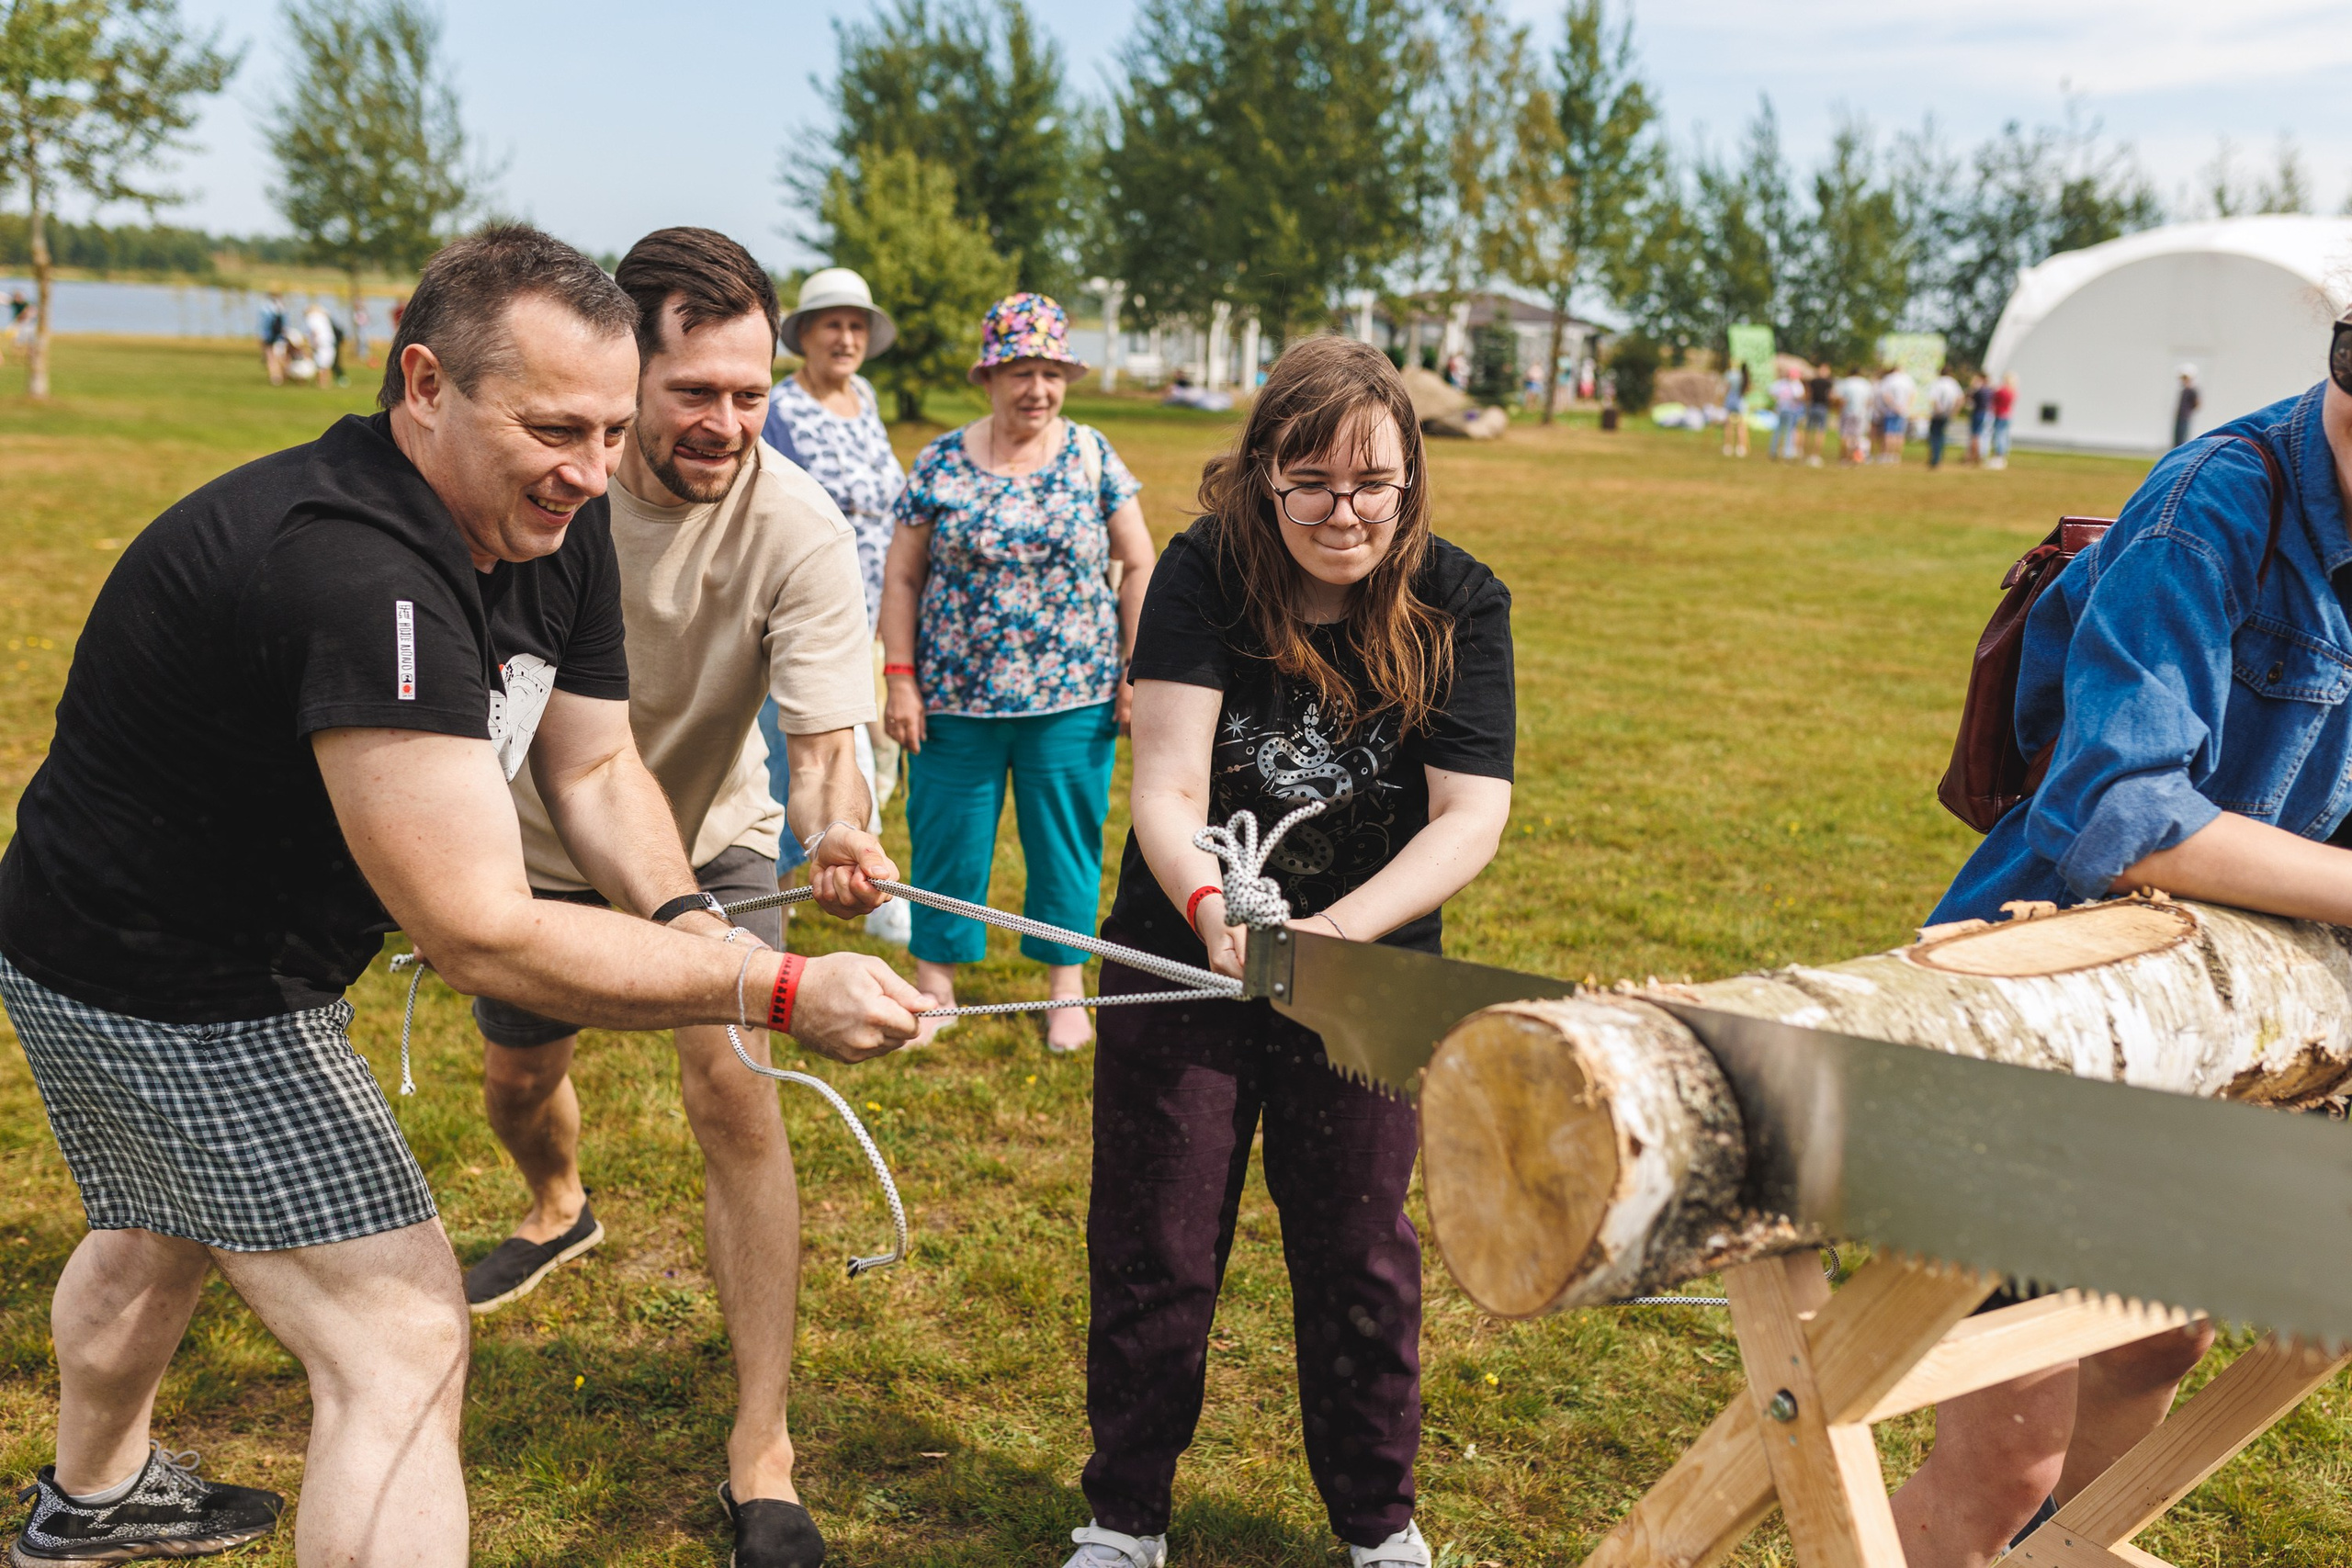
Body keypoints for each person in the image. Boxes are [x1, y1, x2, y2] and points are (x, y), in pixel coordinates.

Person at [0, 225, 924, 1568]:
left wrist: (686, 921)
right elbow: (476, 924)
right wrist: (773, 981)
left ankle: (91, 1502)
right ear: (423, 386)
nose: (592, 468)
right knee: (406, 1336)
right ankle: (94, 1499)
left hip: (150, 950)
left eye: (614, 429)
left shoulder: (553, 521)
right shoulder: (355, 567)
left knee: (162, 1222)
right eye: (555, 426)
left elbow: (597, 761)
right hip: (162, 976)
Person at [1887, 310, 2352, 1568]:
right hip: (2060, 1013)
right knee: (2002, 1462)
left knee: (2154, 1340)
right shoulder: (2214, 503)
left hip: (2236, 1022)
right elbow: (2122, 815)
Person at [458, 228, 888, 1565]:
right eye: (693, 390)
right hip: (528, 844)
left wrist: (840, 832)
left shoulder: (799, 528)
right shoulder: (545, 495)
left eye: (751, 393)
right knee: (520, 1083)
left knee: (736, 1087)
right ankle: (557, 1205)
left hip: (711, 843)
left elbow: (821, 747)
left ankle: (762, 1443)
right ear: (627, 372)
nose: (725, 422)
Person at [1065, 335, 1514, 1568]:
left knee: (1363, 1248)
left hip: (1368, 976)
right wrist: (1219, 912)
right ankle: (1122, 1517)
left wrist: (1327, 935)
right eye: (1309, 480)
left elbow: (1469, 815)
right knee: (1156, 1236)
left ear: (1412, 480)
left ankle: (1380, 1522)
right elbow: (1163, 784)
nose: (1343, 510)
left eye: (1374, 481)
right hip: (1184, 955)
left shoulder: (1461, 598)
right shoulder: (1205, 573)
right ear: (1263, 476)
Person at [879, 292, 1157, 1053]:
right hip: (953, 696)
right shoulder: (939, 459)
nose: (1037, 388)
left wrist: (1136, 668)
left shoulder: (1093, 454)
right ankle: (935, 981)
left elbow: (1138, 563)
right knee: (946, 841)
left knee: (1065, 842)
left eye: (1051, 372)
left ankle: (1067, 984)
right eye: (1021, 371)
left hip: (1073, 695)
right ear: (990, 377)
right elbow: (901, 577)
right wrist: (899, 676)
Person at [764, 266, 912, 946]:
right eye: (833, 325)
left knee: (878, 750)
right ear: (806, 336)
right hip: (809, 610)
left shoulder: (869, 398)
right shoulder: (777, 409)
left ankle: (869, 873)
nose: (847, 338)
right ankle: (776, 892)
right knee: (808, 751)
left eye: (857, 326)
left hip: (878, 607)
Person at [1876, 361, 1917, 463]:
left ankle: (1887, 455)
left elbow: (1885, 395)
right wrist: (1905, 407)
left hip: (1890, 411)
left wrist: (1894, 406)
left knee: (1889, 433)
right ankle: (1896, 456)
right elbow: (1913, 395)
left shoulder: (1889, 379)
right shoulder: (1908, 379)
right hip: (1903, 411)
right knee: (1899, 434)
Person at [1926, 364, 1963, 469]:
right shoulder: (1953, 383)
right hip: (1948, 413)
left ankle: (1935, 459)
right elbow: (1960, 398)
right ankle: (1939, 457)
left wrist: (1939, 410)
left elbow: (1934, 399)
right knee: (1941, 436)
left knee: (1935, 436)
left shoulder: (1937, 383)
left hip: (1938, 414)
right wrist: (1954, 411)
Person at [1837, 366, 1876, 465]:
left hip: (1847, 412)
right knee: (1857, 436)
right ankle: (1854, 457)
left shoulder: (1845, 382)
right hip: (1861, 413)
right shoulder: (1865, 384)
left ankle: (1844, 458)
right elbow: (1869, 401)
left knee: (1845, 435)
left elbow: (1840, 399)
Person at [1769, 365, 1806, 460]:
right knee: (1786, 431)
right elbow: (1800, 396)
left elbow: (1772, 391)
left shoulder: (1783, 383)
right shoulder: (1793, 385)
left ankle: (1781, 451)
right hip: (1787, 410)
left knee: (1783, 431)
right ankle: (1783, 452)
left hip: (1787, 410)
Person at [1804, 361, 1833, 466]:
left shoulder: (1813, 381)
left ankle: (1805, 454)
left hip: (1812, 407)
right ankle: (1815, 455)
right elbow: (1830, 396)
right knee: (1820, 432)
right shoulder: (1828, 382)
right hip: (1822, 408)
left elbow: (1807, 394)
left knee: (1808, 431)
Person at [303, 300, 337, 390]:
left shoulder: (312, 318)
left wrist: (313, 346)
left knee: (321, 366)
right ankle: (325, 383)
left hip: (320, 344)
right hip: (329, 342)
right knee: (326, 365)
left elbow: (315, 332)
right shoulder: (323, 316)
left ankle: (321, 383)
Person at [1720, 360, 1749, 457]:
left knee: (1728, 424)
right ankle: (1741, 447)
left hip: (1730, 400)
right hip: (1740, 401)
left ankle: (1727, 447)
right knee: (1741, 425)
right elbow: (1747, 390)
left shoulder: (1730, 374)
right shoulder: (1743, 376)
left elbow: (1725, 388)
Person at [1988, 373, 2018, 468]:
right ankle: (2003, 456)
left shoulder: (2002, 391)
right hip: (2008, 415)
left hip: (2000, 415)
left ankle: (1998, 456)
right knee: (2005, 436)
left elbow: (1993, 397)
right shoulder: (2013, 391)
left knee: (1999, 436)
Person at [259, 291, 287, 385]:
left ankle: (275, 377)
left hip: (270, 337)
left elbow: (264, 326)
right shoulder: (283, 310)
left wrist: (263, 338)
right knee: (281, 358)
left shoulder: (266, 309)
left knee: (271, 358)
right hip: (281, 338)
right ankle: (283, 376)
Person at [1966, 371, 1992, 466]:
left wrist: (1972, 387)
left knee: (1975, 436)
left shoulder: (1979, 390)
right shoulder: (1990, 390)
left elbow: (1970, 398)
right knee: (1983, 436)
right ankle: (1979, 456)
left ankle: (1973, 456)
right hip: (1986, 414)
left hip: (1978, 413)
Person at [2173, 367, 2201, 448]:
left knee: (2182, 437)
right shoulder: (2184, 390)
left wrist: (2188, 411)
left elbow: (2197, 403)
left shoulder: (2192, 390)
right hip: (2180, 416)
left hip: (2185, 416)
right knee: (2177, 437)